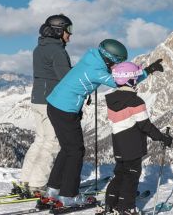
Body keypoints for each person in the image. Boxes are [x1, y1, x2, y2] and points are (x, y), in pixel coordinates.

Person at [44, 39, 164, 207]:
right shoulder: (96, 69)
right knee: (76, 152)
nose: (117, 65)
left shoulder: (92, 58)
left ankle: (54, 189)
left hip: (56, 105)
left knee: (68, 149)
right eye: (117, 62)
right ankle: (68, 196)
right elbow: (123, 81)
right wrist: (148, 71)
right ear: (109, 58)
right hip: (65, 110)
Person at [95, 62, 172, 215]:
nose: (137, 81)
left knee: (120, 175)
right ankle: (126, 208)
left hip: (119, 145)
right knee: (131, 177)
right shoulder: (136, 101)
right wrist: (163, 138)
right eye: (135, 79)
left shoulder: (112, 101)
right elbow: (145, 126)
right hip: (133, 147)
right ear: (130, 81)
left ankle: (109, 204)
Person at [20, 14, 73, 193]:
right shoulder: (57, 51)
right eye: (68, 30)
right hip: (51, 100)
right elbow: (66, 79)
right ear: (59, 30)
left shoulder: (39, 48)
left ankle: (26, 179)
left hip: (37, 99)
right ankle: (38, 183)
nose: (70, 35)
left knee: (40, 139)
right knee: (52, 141)